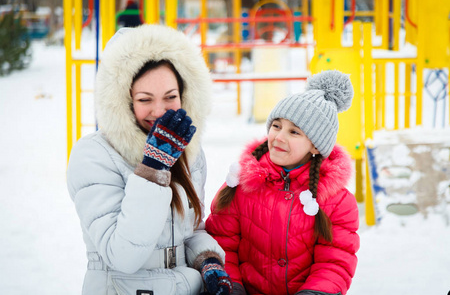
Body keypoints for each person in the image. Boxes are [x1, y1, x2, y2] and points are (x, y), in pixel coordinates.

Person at [67, 24, 232, 295]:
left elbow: (188, 230)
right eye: (145, 99)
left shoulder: (188, 151)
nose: (159, 111)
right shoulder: (94, 154)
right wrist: (153, 168)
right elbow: (122, 255)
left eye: (170, 97)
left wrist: (208, 260)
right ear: (125, 101)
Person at [205, 70, 360, 295]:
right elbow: (222, 243)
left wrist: (315, 292)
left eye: (294, 132)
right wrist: (232, 287)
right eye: (276, 126)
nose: (279, 137)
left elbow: (335, 262)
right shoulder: (241, 184)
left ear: (315, 146)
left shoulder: (337, 201)